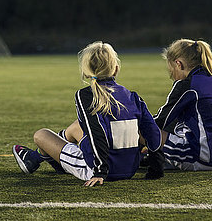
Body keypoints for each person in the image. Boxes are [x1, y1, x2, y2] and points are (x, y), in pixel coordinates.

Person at [12, 41, 162, 187]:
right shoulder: (133, 96)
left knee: (41, 135)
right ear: (116, 69)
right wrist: (156, 168)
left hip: (98, 169)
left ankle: (36, 156)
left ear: (85, 72)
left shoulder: (86, 95)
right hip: (129, 169)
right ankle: (37, 157)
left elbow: (96, 133)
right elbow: (153, 132)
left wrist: (100, 172)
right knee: (78, 126)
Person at [145, 39, 212, 179]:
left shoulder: (187, 84)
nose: (171, 74)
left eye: (170, 68)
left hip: (204, 158)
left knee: (143, 127)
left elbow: (160, 122)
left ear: (178, 64)